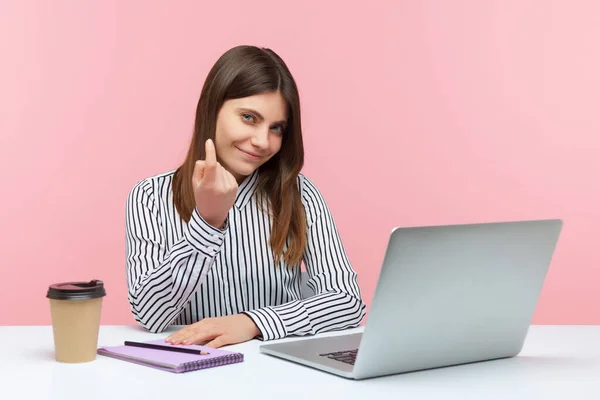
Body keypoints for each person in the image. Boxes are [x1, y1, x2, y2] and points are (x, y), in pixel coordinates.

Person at [125, 45, 366, 348]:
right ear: (212, 109)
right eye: (249, 117)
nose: (263, 141)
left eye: (277, 127)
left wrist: (253, 323)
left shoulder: (300, 195)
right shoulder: (150, 196)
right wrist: (208, 222)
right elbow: (150, 313)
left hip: (277, 370)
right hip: (191, 371)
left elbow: (346, 301)